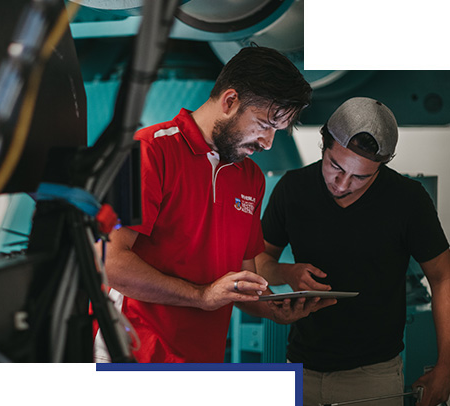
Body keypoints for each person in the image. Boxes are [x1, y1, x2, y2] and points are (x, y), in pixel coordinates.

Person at [94, 46, 335, 363]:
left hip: (200, 358)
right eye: (264, 125)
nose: (267, 143)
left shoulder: (250, 178)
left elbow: (242, 282)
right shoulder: (146, 151)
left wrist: (276, 308)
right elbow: (108, 263)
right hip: (130, 352)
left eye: (277, 131)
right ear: (230, 101)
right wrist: (201, 295)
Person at [256, 97, 450, 406]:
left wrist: (445, 366)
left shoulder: (408, 200)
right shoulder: (293, 189)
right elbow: (259, 261)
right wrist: (286, 273)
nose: (343, 183)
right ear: (324, 144)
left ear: (382, 166)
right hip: (299, 370)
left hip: (373, 377)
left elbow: (444, 276)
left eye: (361, 177)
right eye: (335, 166)